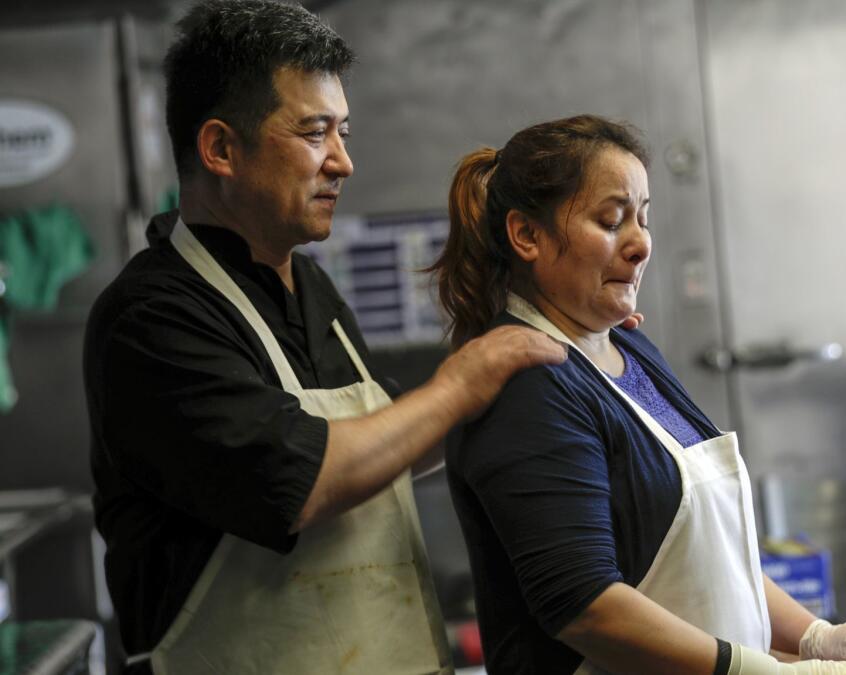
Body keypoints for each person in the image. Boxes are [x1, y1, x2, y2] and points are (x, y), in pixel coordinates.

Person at [83, 2, 566, 673]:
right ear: (220, 148)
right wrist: (464, 380)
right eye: (315, 133)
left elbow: (390, 443)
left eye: (343, 131)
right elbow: (299, 483)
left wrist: (532, 365)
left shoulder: (312, 290)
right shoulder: (153, 316)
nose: (344, 162)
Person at [431, 114, 846, 675]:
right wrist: (765, 672)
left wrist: (818, 637)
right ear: (527, 234)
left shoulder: (628, 348)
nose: (641, 243)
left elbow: (713, 557)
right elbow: (585, 608)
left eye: (644, 218)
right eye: (610, 220)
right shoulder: (529, 385)